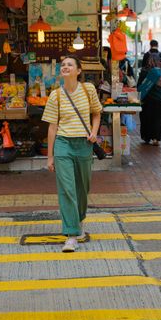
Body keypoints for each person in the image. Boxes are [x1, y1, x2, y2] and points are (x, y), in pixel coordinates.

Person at [43, 56, 102, 253]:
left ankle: (79, 221)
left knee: (82, 189)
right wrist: (50, 156)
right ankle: (71, 235)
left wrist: (94, 132)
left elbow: (96, 113)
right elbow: (52, 127)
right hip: (63, 144)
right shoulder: (55, 96)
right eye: (63, 65)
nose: (65, 67)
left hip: (84, 144)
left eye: (70, 64)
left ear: (78, 70)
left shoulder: (89, 89)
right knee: (67, 189)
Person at [137, 52, 161, 145]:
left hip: (146, 99)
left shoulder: (145, 71)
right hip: (158, 99)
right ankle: (156, 138)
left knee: (146, 118)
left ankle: (147, 137)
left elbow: (139, 86)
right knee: (157, 119)